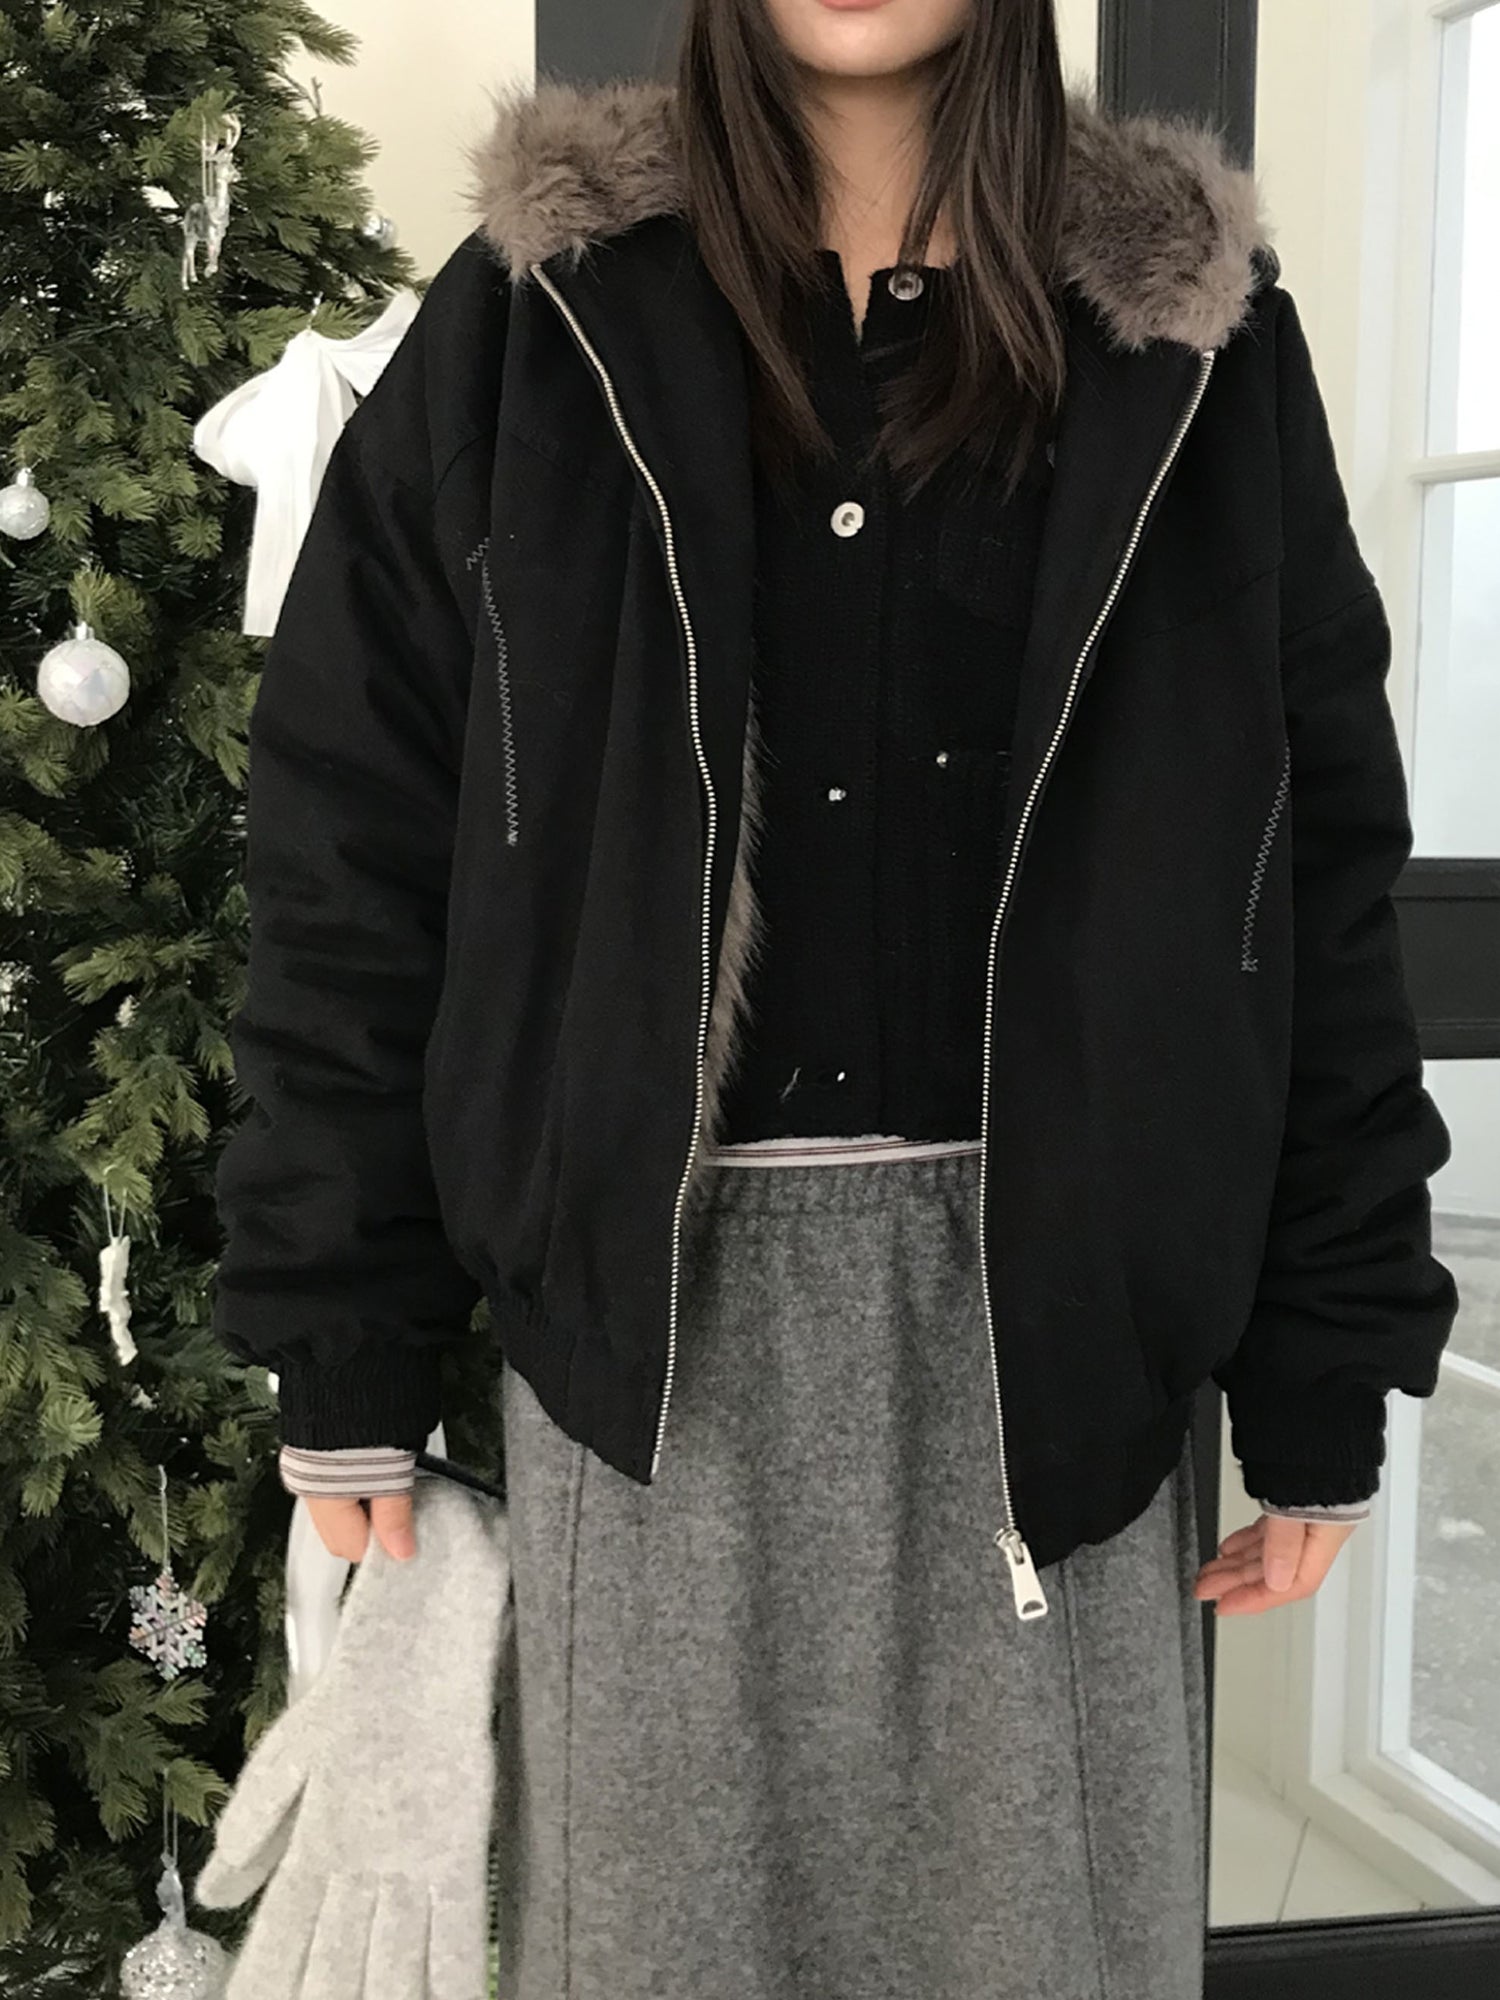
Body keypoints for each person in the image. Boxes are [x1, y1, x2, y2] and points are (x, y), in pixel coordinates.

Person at [211, 3, 1459, 1994]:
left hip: (1058, 1331)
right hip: (648, 1336)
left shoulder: (1189, 341)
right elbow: (354, 845)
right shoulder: (535, 318)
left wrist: (1325, 1364)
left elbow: (1310, 870)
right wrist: (343, 1337)